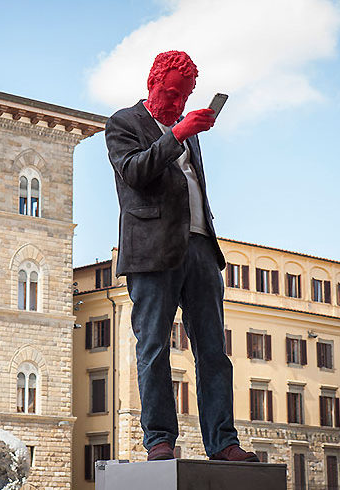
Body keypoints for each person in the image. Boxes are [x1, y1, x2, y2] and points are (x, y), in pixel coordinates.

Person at [104, 51, 258, 463]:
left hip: (201, 247)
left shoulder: (188, 132)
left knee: (212, 351)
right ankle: (159, 440)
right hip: (151, 251)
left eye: (184, 97)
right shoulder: (123, 123)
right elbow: (135, 173)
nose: (176, 104)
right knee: (153, 347)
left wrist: (183, 132)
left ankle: (223, 442)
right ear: (151, 82)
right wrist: (175, 135)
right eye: (171, 94)